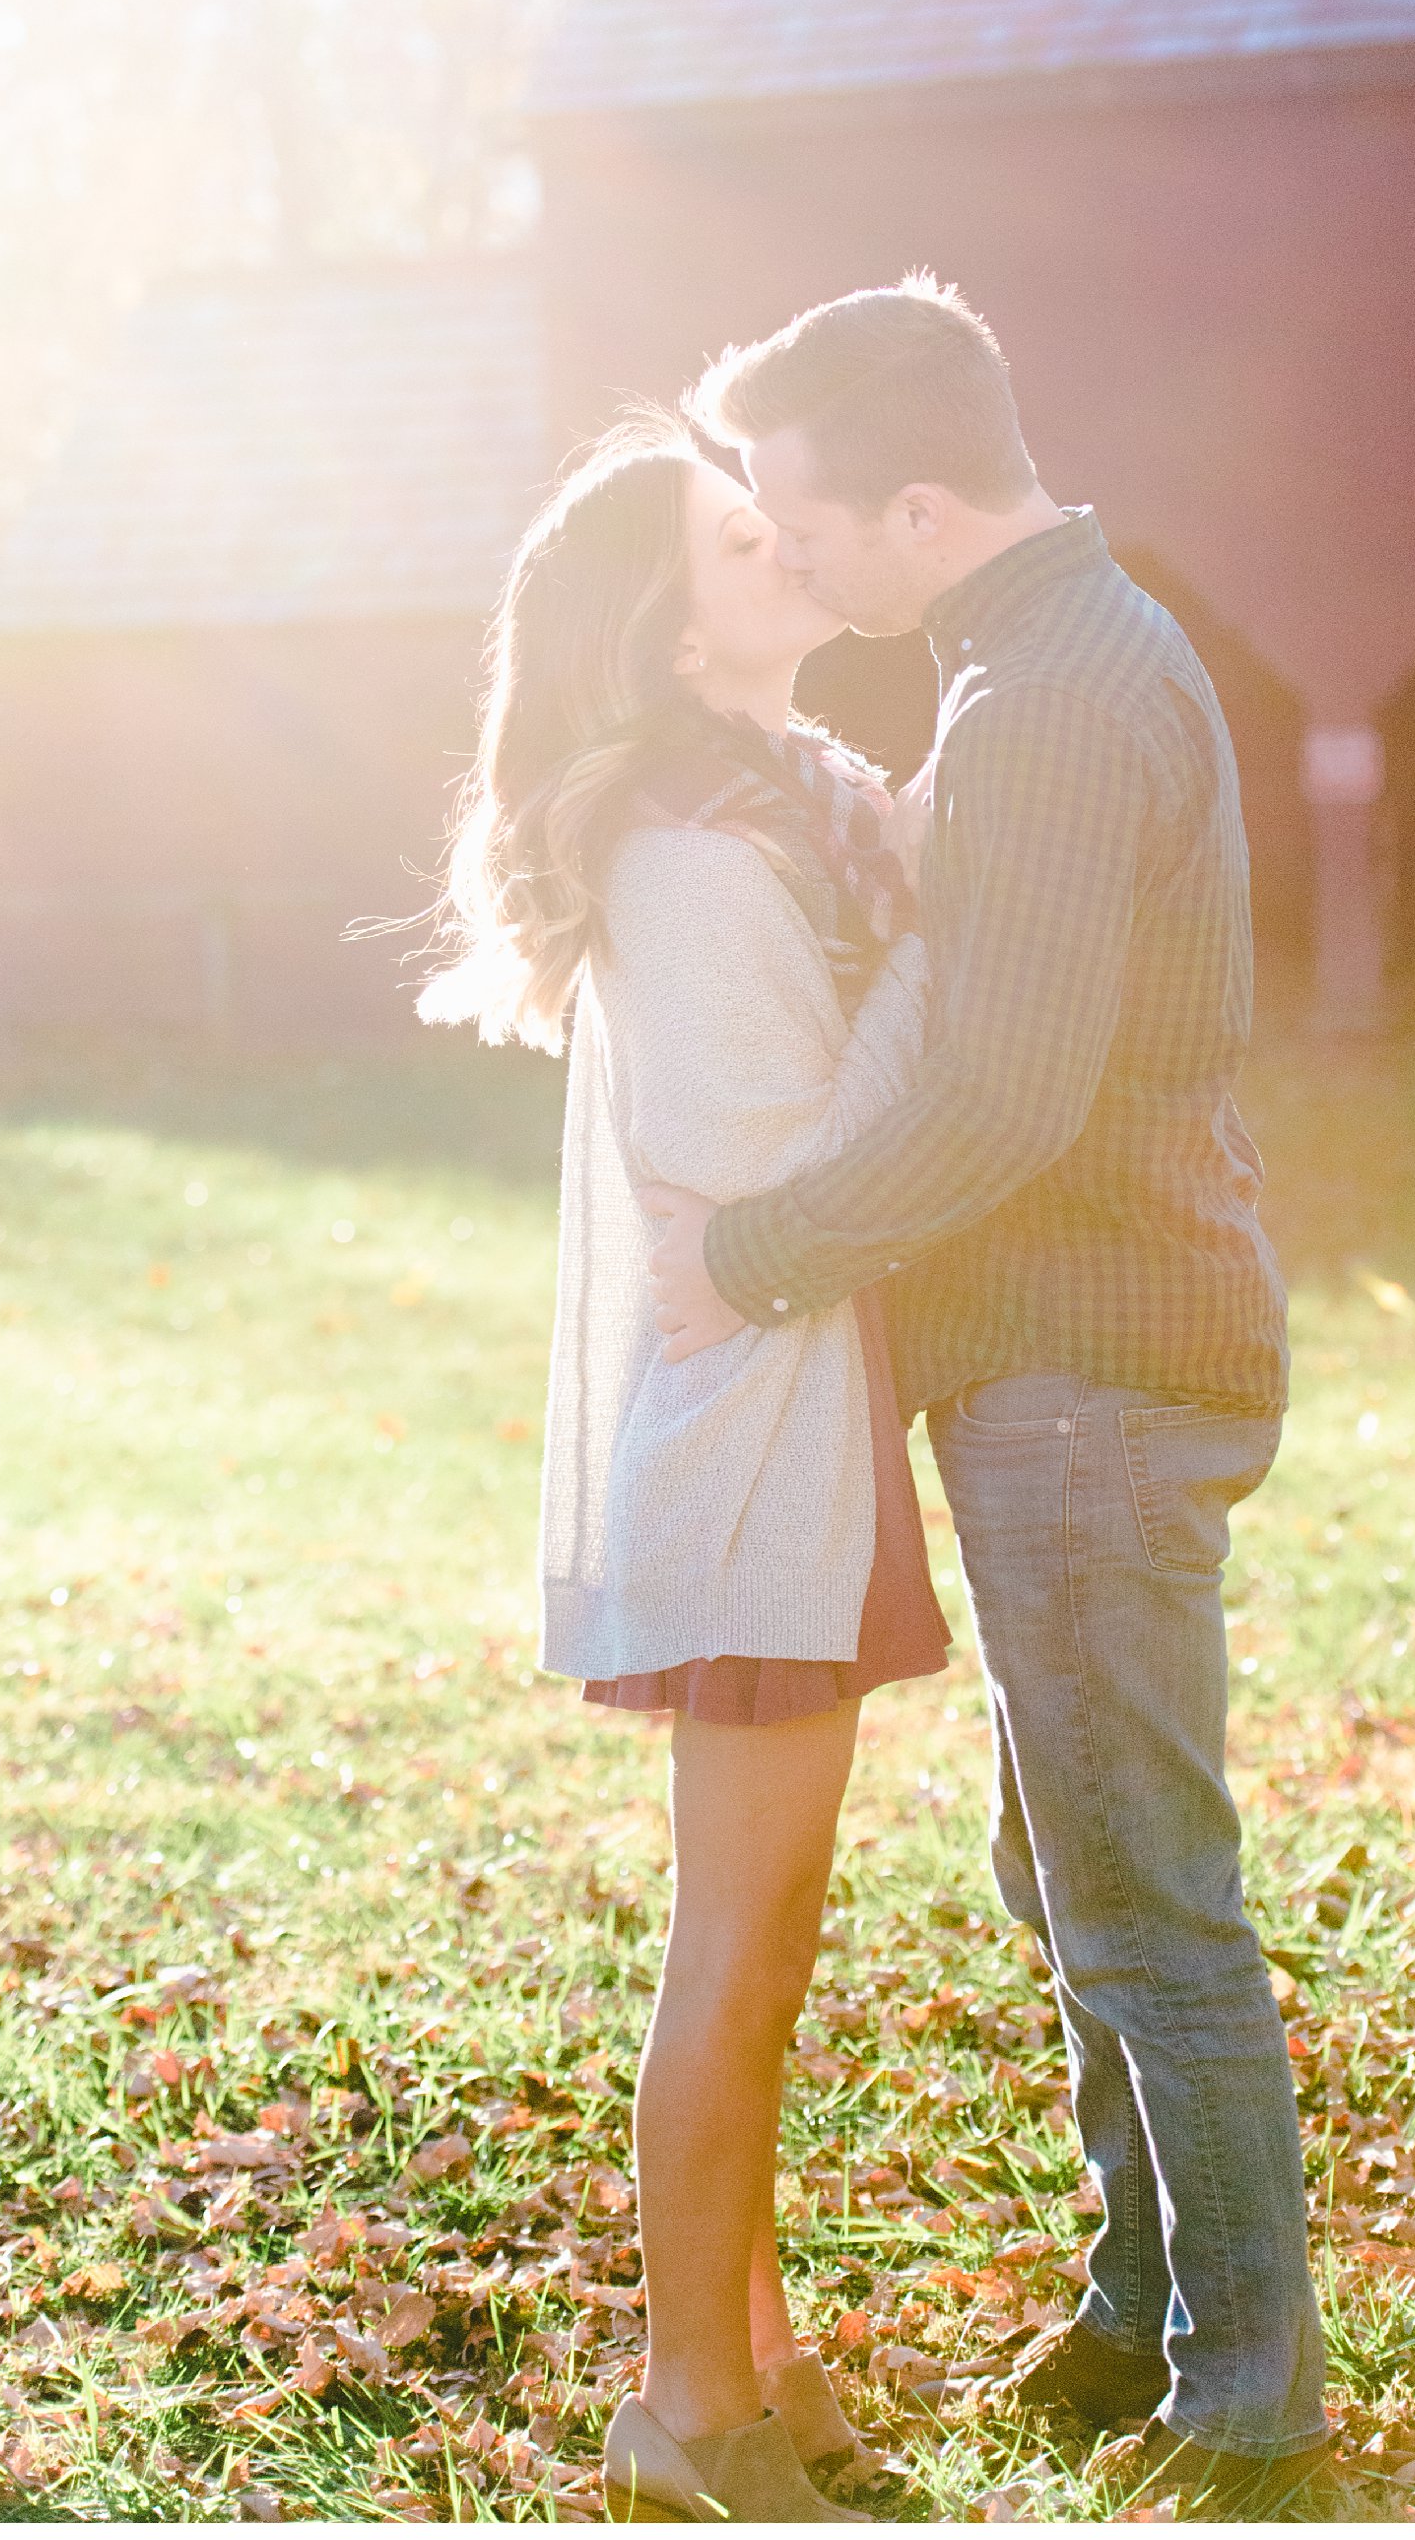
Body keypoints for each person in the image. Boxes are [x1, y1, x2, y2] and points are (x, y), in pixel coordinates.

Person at [641, 279, 1342, 2525]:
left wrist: (751, 1250)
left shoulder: (1048, 693)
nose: (793, 555)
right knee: (1073, 1868)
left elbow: (1007, 1094)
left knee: (1143, 1892)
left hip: (1091, 1368)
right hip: (1069, 1359)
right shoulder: (1044, 656)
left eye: (805, 518)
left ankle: (1252, 2402)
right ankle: (1142, 2300)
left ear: (919, 503)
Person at [417, 415, 952, 2526]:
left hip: (793, 1428)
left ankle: (757, 2353)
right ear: (672, 614)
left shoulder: (787, 805)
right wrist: (944, 941)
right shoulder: (695, 848)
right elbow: (787, 1165)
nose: (788, 544)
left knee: (771, 1921)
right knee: (740, 1939)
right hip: (747, 1456)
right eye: (743, 536)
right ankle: (678, 2404)